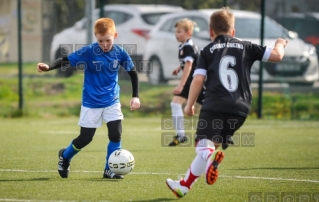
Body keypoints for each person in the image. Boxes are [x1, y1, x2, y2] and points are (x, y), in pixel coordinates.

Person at [166, 7, 288, 198]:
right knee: (209, 145)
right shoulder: (247, 46)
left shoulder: (207, 50)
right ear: (233, 31)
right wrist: (280, 43)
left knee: (202, 145)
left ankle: (210, 157)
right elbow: (277, 56)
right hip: (240, 109)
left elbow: (197, 80)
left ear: (211, 32)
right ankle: (184, 186)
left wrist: (189, 104)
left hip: (215, 105)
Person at [37, 18, 141, 179]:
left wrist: (135, 96)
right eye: (100, 41)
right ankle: (65, 155)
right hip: (91, 103)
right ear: (95, 37)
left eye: (108, 40)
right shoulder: (89, 51)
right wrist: (49, 67)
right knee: (85, 138)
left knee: (116, 134)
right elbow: (66, 60)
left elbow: (133, 73)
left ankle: (109, 170)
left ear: (115, 35)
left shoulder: (120, 52)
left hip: (112, 100)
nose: (105, 44)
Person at [168, 18, 206, 147]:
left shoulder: (189, 47)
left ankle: (182, 135)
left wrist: (181, 85)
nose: (176, 34)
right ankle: (182, 135)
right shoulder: (183, 46)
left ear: (189, 33)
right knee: (209, 105)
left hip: (193, 81)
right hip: (193, 80)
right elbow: (188, 63)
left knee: (175, 104)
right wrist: (179, 68)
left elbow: (189, 66)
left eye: (179, 31)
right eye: (176, 31)